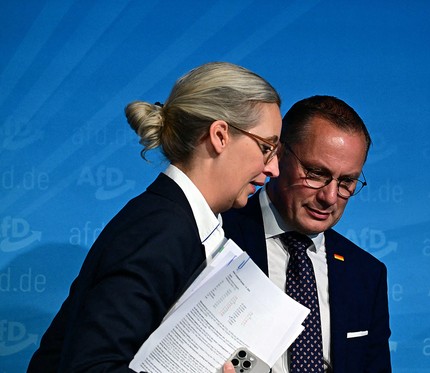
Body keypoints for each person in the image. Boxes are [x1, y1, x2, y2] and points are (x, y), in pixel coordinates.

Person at [27, 62, 282, 372]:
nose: (273, 169)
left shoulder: (185, 224)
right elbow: (91, 367)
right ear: (219, 136)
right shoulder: (161, 229)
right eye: (267, 147)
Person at [222, 95, 391, 373]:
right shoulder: (215, 236)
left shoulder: (366, 275)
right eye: (315, 173)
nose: (330, 197)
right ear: (277, 155)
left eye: (347, 182)